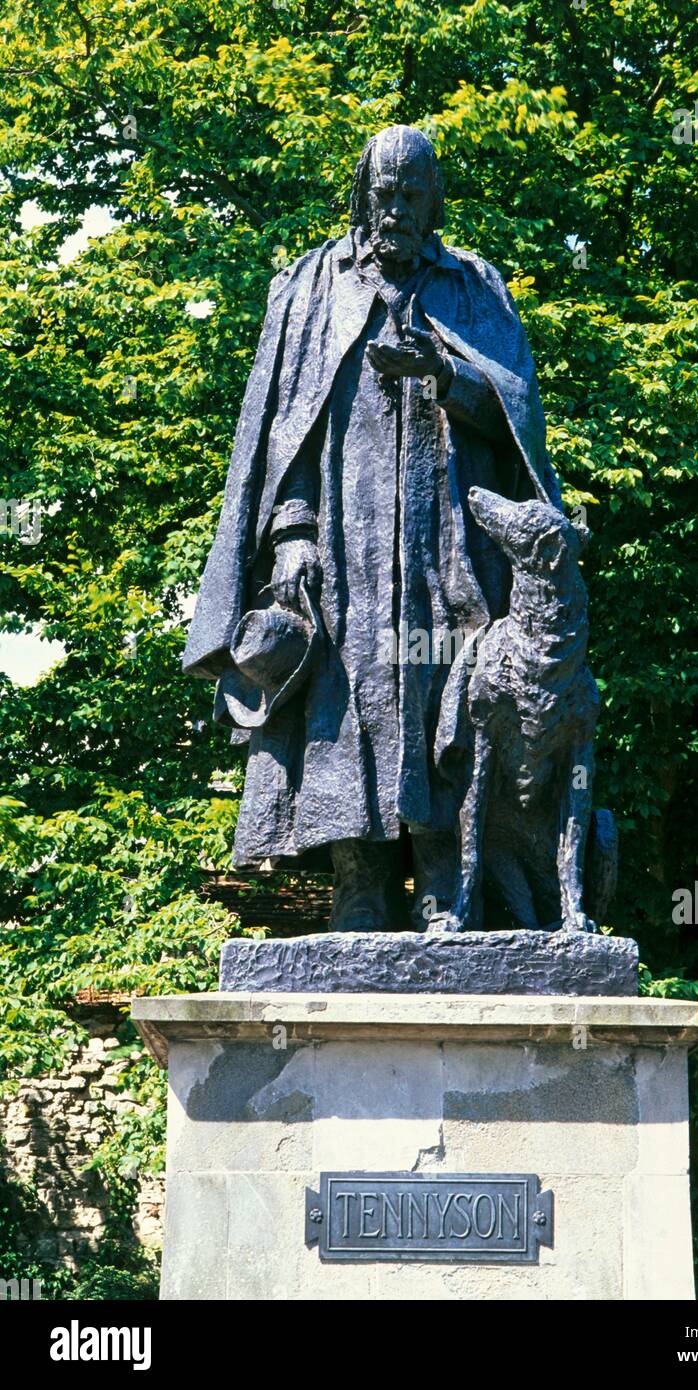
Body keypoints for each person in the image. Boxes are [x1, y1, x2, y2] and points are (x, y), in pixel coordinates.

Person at [183, 125, 561, 930]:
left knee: (448, 702)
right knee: (345, 707)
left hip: (450, 545)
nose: (395, 208)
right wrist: (291, 532)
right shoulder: (312, 286)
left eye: (411, 193)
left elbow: (519, 415)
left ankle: (444, 894)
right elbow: (284, 430)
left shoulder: (473, 288)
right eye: (383, 193)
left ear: (433, 201)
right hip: (343, 549)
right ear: (362, 194)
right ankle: (358, 896)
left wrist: (446, 373)